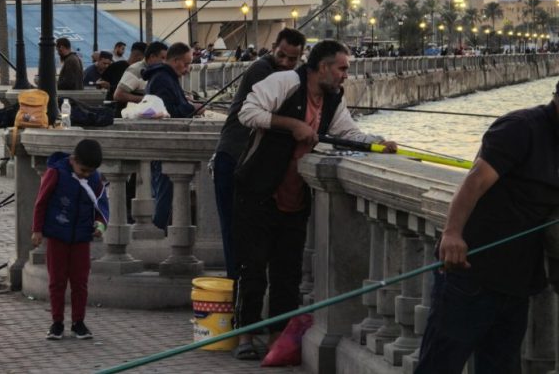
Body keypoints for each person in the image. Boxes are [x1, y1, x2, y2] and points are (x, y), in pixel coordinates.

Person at [231, 39, 397, 360]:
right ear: (323, 67)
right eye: (342, 68)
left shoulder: (333, 99)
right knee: (252, 268)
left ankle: (279, 335)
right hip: (257, 192)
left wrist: (376, 143)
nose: (345, 75)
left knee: (288, 271)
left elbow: (347, 132)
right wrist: (292, 124)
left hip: (295, 198)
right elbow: (247, 112)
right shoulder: (285, 82)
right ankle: (246, 334)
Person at [415, 82, 559, 374]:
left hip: (518, 280)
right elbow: (474, 181)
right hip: (471, 273)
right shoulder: (520, 127)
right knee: (440, 365)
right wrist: (452, 233)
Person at [212, 28, 306, 279]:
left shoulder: (288, 75)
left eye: (292, 59)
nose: (285, 62)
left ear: (301, 57)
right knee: (235, 233)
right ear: (273, 46)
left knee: (248, 235)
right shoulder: (262, 70)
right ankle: (236, 292)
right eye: (281, 55)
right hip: (232, 157)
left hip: (249, 162)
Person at [31, 139, 109, 341]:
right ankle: (57, 322)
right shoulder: (56, 173)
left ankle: (78, 322)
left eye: (90, 172)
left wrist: (100, 224)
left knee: (80, 282)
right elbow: (41, 201)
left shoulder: (94, 179)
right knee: (57, 281)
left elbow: (101, 204)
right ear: (73, 160)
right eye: (83, 170)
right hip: (58, 235)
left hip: (82, 237)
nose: (86, 175)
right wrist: (37, 230)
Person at [144, 42, 204, 230]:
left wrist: (188, 104)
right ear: (175, 61)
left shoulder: (165, 77)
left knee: (164, 192)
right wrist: (193, 108)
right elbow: (168, 112)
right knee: (164, 193)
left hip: (164, 144)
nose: (187, 69)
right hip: (164, 145)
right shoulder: (163, 79)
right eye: (185, 64)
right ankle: (158, 232)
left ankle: (159, 231)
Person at [113, 41, 167, 108]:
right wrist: (146, 99)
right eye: (162, 58)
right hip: (132, 116)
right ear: (152, 56)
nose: (164, 62)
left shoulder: (158, 72)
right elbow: (118, 95)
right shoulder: (136, 70)